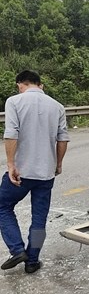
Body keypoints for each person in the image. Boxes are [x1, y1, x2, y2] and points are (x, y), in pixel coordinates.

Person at [0, 70, 69, 274]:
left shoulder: (14, 101)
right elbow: (62, 139)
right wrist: (58, 164)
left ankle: (17, 249)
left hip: (21, 172)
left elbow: (11, 133)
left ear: (20, 84)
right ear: (41, 85)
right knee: (39, 218)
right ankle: (32, 261)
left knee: (2, 206)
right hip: (45, 173)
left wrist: (11, 164)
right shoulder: (57, 106)